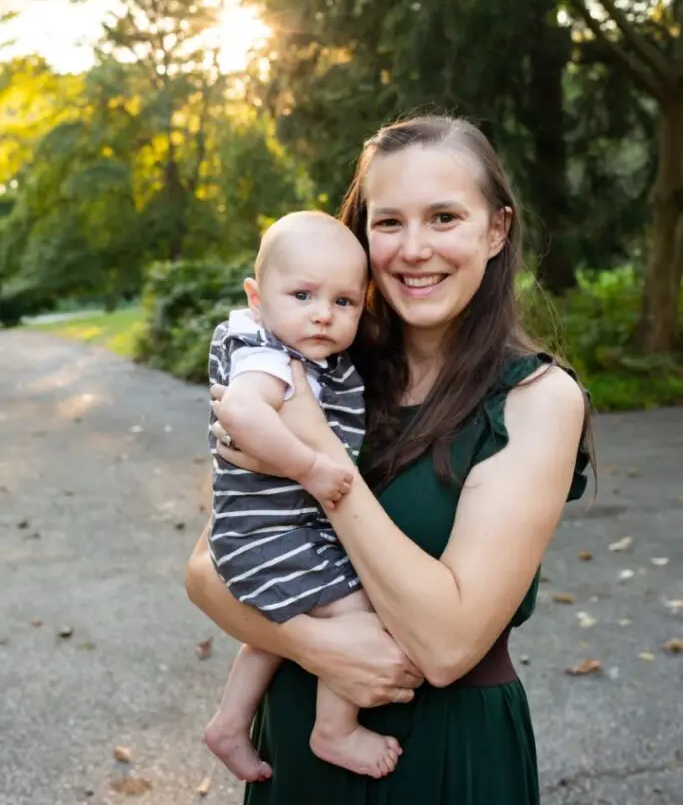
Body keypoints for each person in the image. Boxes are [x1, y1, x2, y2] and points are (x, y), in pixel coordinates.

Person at [187, 114, 593, 805]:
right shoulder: (321, 365)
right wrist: (317, 650)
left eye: (442, 217)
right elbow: (206, 571)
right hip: (296, 739)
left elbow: (444, 645)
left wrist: (320, 461)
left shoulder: (536, 400)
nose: (413, 249)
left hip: (445, 754)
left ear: (495, 230)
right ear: (358, 234)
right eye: (387, 223)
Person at [205, 211, 404, 781]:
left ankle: (228, 722)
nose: (323, 313)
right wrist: (312, 468)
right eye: (302, 294)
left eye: (344, 302)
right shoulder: (265, 351)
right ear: (257, 296)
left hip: (267, 535)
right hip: (270, 535)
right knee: (358, 613)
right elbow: (241, 411)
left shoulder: (308, 356)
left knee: (282, 624)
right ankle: (334, 730)